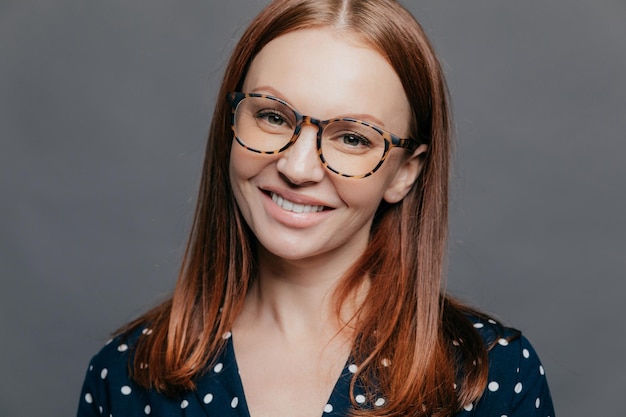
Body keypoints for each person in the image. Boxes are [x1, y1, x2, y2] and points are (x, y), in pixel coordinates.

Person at [77, 1, 555, 416]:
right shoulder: (124, 373)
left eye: (352, 138)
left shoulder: (493, 377)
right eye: (271, 115)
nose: (298, 167)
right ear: (231, 121)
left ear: (406, 172)